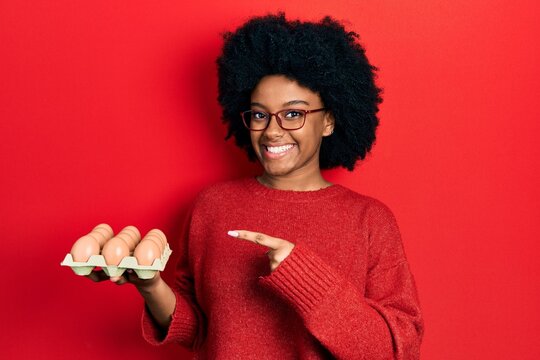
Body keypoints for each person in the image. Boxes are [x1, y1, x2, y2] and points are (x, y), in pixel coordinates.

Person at [87, 13, 424, 359]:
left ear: (328, 121)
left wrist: (303, 277)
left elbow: (396, 350)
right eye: (260, 114)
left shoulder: (369, 220)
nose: (272, 131)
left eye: (293, 114)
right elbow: (200, 330)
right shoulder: (213, 205)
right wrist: (150, 285)